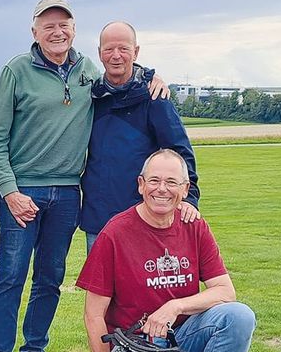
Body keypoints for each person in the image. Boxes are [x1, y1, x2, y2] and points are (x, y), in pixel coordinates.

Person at [0, 0, 166, 352]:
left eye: (63, 24)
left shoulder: (86, 70)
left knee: (50, 280)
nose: (57, 31)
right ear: (34, 31)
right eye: (48, 25)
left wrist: (150, 75)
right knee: (10, 278)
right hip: (22, 191)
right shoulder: (15, 71)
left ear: (73, 30)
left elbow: (121, 71)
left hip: (68, 193)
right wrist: (10, 191)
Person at [76, 149, 255, 352]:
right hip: (136, 344)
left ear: (185, 189)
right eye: (154, 181)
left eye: (171, 182)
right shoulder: (115, 233)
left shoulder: (194, 226)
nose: (162, 189)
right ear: (141, 185)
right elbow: (93, 315)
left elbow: (225, 292)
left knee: (239, 316)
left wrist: (175, 307)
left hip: (184, 334)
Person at [81, 21, 200, 252]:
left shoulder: (154, 98)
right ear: (99, 54)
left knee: (144, 286)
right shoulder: (89, 97)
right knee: (100, 287)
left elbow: (179, 152)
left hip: (145, 216)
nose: (116, 56)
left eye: (124, 49)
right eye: (109, 49)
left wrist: (189, 198)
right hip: (99, 218)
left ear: (135, 52)